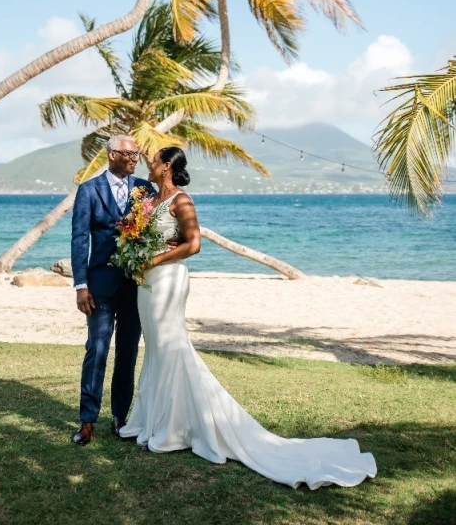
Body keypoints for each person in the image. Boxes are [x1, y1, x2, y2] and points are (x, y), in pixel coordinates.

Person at [119, 146, 377, 490]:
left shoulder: (182, 201)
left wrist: (154, 259)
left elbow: (193, 244)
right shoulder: (150, 200)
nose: (148, 165)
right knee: (156, 349)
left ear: (166, 167)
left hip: (166, 279)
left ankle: (173, 428)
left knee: (171, 346)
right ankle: (154, 423)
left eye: (153, 161)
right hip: (147, 284)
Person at [70, 135, 156, 446]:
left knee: (128, 352)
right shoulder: (89, 190)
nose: (136, 158)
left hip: (135, 286)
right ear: (112, 154)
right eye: (130, 153)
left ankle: (121, 417)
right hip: (100, 286)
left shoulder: (145, 190)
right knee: (97, 350)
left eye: (137, 154)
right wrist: (81, 286)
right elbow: (80, 239)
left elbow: (157, 230)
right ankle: (87, 420)